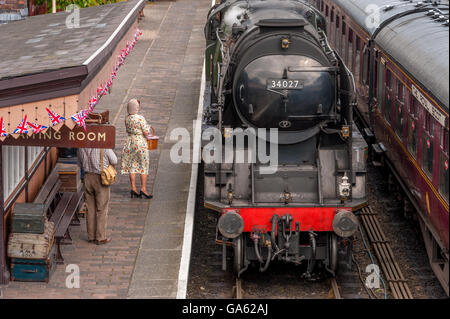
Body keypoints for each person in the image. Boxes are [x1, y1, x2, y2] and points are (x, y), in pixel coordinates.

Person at [78, 147, 118, 245]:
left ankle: (91, 236)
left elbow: (79, 162)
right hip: (101, 178)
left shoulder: (81, 148)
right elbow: (114, 160)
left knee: (90, 208)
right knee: (102, 209)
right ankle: (100, 237)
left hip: (87, 177)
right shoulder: (104, 148)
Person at [120, 98, 153, 199]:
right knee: (143, 165)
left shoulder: (127, 118)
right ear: (136, 108)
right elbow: (146, 132)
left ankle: (133, 188)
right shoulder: (140, 118)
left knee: (132, 165)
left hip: (130, 142)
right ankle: (143, 189)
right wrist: (148, 130)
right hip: (140, 143)